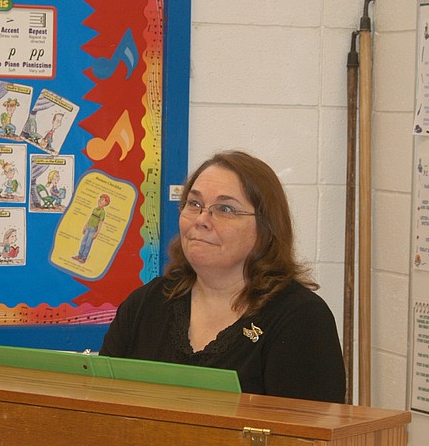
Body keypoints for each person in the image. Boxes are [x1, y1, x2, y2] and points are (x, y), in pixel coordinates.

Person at [100, 151, 346, 403]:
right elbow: (101, 409)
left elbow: (308, 437)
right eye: (194, 204)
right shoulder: (146, 304)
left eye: (225, 209)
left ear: (266, 228)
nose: (202, 220)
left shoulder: (300, 318)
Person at [73, 193, 109, 264]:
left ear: (105, 204)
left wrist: (97, 233)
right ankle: (79, 255)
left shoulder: (102, 212)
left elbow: (100, 223)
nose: (100, 201)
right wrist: (85, 226)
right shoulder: (95, 209)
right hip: (88, 228)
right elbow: (90, 218)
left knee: (88, 244)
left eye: (102, 201)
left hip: (93, 229)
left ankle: (83, 258)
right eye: (100, 200)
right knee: (83, 242)